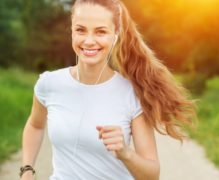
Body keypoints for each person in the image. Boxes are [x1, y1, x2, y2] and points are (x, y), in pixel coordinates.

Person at [20, 0, 196, 179]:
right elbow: (35, 125)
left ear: (116, 35)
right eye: (80, 30)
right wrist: (27, 169)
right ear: (72, 31)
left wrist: (126, 153)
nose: (89, 41)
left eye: (101, 32)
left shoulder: (131, 94)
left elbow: (152, 175)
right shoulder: (49, 84)